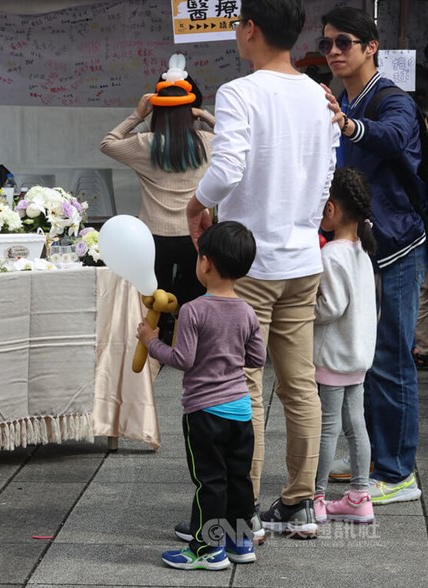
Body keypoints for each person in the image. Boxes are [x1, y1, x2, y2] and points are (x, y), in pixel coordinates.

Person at [184, 0, 339, 539]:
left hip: (247, 264)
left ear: (249, 28)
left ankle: (237, 511)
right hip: (302, 258)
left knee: (241, 384)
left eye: (237, 24)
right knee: (300, 385)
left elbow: (227, 169)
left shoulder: (240, 92)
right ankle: (298, 502)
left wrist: (197, 204)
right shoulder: (321, 97)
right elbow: (326, 180)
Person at [320, 6, 426, 505]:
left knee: (389, 358)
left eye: (344, 42)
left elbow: (395, 135)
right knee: (359, 355)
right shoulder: (346, 98)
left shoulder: (390, 98)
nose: (335, 52)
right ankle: (371, 455)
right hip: (363, 245)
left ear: (371, 47)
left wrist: (348, 125)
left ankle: (397, 470)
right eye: (328, 44)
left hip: (397, 247)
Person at [137, 221, 265, 570]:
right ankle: (240, 542)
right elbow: (258, 358)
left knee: (209, 482)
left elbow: (183, 359)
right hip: (241, 411)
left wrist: (151, 342)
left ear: (205, 263)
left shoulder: (194, 310)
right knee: (238, 479)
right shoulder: (247, 311)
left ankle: (208, 550)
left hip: (204, 414)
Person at [100, 77, 215, 344]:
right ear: (190, 111)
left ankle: (154, 344)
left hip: (153, 237)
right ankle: (190, 344)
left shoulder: (145, 143)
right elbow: (240, 141)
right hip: (194, 234)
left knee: (154, 296)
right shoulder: (207, 141)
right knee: (193, 294)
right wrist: (206, 115)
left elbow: (108, 143)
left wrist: (136, 116)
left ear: (157, 111)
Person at [312, 167, 377, 524]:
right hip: (358, 356)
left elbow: (331, 307)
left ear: (332, 209)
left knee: (327, 427)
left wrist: (305, 310)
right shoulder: (362, 253)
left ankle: (317, 497)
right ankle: (359, 495)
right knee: (356, 425)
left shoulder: (332, 255)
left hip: (333, 356)